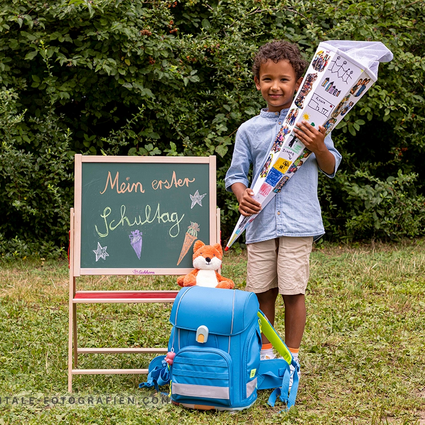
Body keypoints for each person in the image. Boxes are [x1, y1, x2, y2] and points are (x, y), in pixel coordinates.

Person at [225, 41, 342, 381]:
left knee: (293, 290)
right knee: (262, 291)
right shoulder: (249, 130)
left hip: (298, 223)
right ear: (257, 82)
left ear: (299, 83)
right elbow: (235, 175)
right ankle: (264, 355)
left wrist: (319, 146)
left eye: (284, 79)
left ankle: (290, 360)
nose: (275, 86)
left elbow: (331, 166)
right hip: (259, 224)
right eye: (267, 79)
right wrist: (241, 194)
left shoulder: (314, 125)